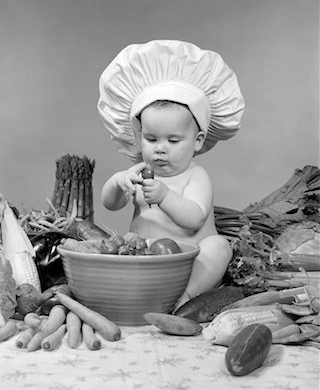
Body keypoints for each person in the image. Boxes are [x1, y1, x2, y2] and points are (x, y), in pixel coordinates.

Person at [97, 40, 245, 310]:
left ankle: (186, 296)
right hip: (145, 259)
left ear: (197, 141)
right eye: (151, 138)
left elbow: (193, 219)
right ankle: (132, 295)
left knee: (218, 246)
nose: (160, 149)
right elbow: (111, 204)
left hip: (191, 262)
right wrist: (118, 183)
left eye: (173, 141)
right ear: (139, 136)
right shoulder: (140, 172)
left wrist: (165, 196)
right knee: (121, 243)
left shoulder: (196, 175)